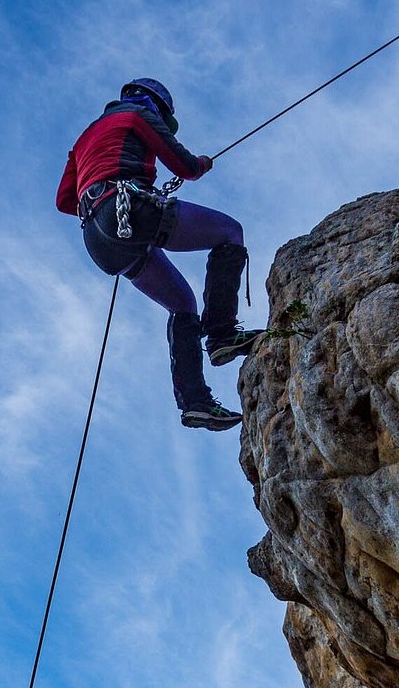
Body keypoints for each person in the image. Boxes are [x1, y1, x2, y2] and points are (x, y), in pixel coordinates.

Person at [56, 78, 263, 431]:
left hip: (98, 238)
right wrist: (199, 164)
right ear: (158, 106)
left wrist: (102, 197)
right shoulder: (138, 115)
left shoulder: (82, 141)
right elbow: (184, 165)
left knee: (182, 304)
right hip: (130, 209)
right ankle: (222, 334)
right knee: (230, 232)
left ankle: (195, 403)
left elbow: (64, 200)